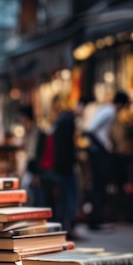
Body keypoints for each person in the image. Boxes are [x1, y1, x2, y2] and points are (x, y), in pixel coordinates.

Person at [84, 90, 130, 230]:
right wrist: (104, 146)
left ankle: (96, 218)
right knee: (100, 185)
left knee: (99, 185)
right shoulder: (109, 111)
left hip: (97, 150)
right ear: (121, 104)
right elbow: (90, 128)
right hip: (99, 152)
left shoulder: (106, 109)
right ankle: (96, 219)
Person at [51, 96, 80, 238]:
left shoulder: (59, 121)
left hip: (59, 166)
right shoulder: (68, 121)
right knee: (70, 198)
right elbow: (69, 146)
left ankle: (63, 227)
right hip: (67, 166)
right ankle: (69, 228)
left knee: (62, 199)